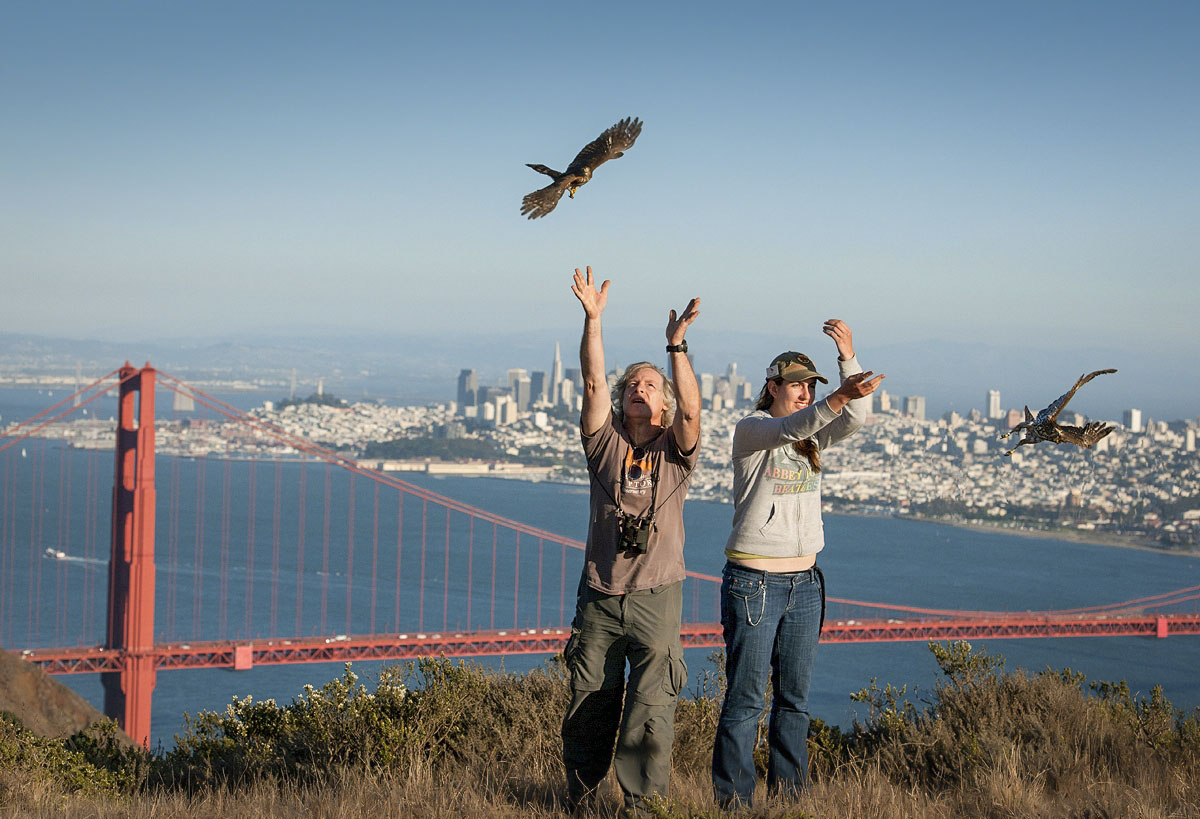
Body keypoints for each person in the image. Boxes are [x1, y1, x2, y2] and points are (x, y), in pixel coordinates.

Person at [711, 320, 884, 808]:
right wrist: (838, 396)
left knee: (794, 702)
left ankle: (790, 802)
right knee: (746, 701)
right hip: (755, 581)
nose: (806, 392)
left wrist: (848, 359)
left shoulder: (813, 440)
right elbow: (791, 426)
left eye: (811, 385)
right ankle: (734, 805)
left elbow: (855, 421)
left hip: (806, 582)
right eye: (797, 385)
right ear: (772, 388)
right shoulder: (753, 431)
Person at [562, 266, 701, 815]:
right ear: (621, 403)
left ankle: (644, 809)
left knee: (651, 707)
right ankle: (580, 798)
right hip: (600, 593)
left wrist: (676, 348)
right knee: (590, 700)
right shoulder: (604, 446)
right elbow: (593, 384)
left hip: (658, 596)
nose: (640, 390)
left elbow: (693, 410)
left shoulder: (677, 449)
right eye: (632, 386)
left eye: (651, 386)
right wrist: (593, 319)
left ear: (663, 405)